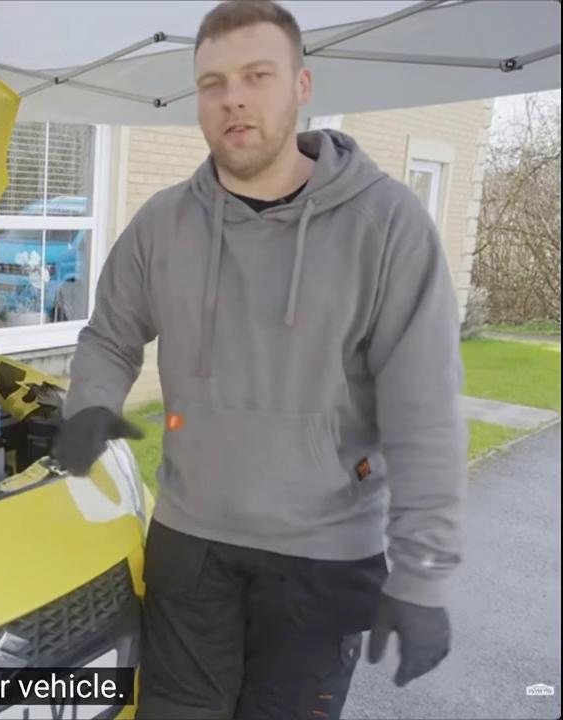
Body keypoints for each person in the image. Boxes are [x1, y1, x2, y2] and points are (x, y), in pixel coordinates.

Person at [51, 1, 467, 718]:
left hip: (325, 556)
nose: (232, 97)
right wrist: (92, 400)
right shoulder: (163, 224)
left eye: (256, 74)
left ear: (301, 86)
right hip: (191, 540)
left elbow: (424, 411)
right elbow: (110, 335)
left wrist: (424, 576)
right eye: (212, 82)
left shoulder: (388, 225)